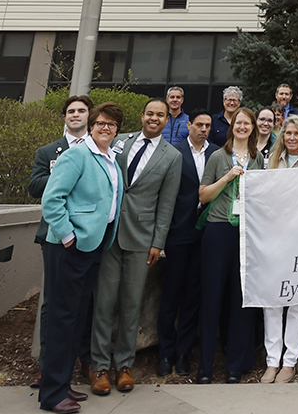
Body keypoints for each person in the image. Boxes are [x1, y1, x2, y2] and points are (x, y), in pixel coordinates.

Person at [91, 99, 182, 395]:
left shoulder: (172, 156)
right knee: (104, 303)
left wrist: (158, 241)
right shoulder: (119, 141)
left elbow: (166, 203)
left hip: (142, 239)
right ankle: (99, 366)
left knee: (131, 303)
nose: (154, 119)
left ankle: (124, 365)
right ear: (142, 116)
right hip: (109, 233)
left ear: (167, 120)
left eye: (161, 115)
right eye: (150, 114)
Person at [39, 103, 124, 413]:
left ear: (117, 130)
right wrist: (67, 236)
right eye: (101, 123)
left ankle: (62, 385)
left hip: (94, 246)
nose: (105, 128)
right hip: (70, 248)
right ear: (91, 124)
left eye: (112, 125)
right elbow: (52, 198)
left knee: (75, 319)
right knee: (63, 319)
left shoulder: (111, 158)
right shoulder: (77, 154)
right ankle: (51, 395)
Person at [29, 95, 95, 393]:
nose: (76, 115)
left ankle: (82, 362)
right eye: (71, 111)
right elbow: (35, 187)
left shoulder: (100, 151)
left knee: (83, 303)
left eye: (82, 111)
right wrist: (65, 174)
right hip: (56, 236)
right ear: (64, 117)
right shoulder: (48, 151)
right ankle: (48, 367)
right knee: (53, 303)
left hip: (90, 236)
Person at [197, 106, 264, 383]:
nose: (243, 127)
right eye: (239, 122)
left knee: (241, 300)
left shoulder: (259, 158)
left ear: (253, 128)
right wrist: (228, 177)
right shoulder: (217, 156)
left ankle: (235, 365)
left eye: (247, 123)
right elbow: (203, 195)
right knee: (212, 298)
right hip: (218, 231)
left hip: (246, 234)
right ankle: (205, 367)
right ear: (231, 125)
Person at [261, 118, 298, 382]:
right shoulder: (271, 162)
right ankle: (272, 361)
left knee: (297, 301)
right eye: (288, 133)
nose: (292, 137)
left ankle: (290, 361)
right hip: (274, 239)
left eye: (297, 133)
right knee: (272, 300)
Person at [157, 111, 210, 377]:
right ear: (189, 126)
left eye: (207, 126)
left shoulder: (216, 155)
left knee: (193, 296)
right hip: (178, 232)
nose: (203, 129)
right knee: (171, 294)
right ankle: (165, 353)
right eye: (199, 124)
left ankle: (183, 353)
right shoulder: (174, 152)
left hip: (205, 234)